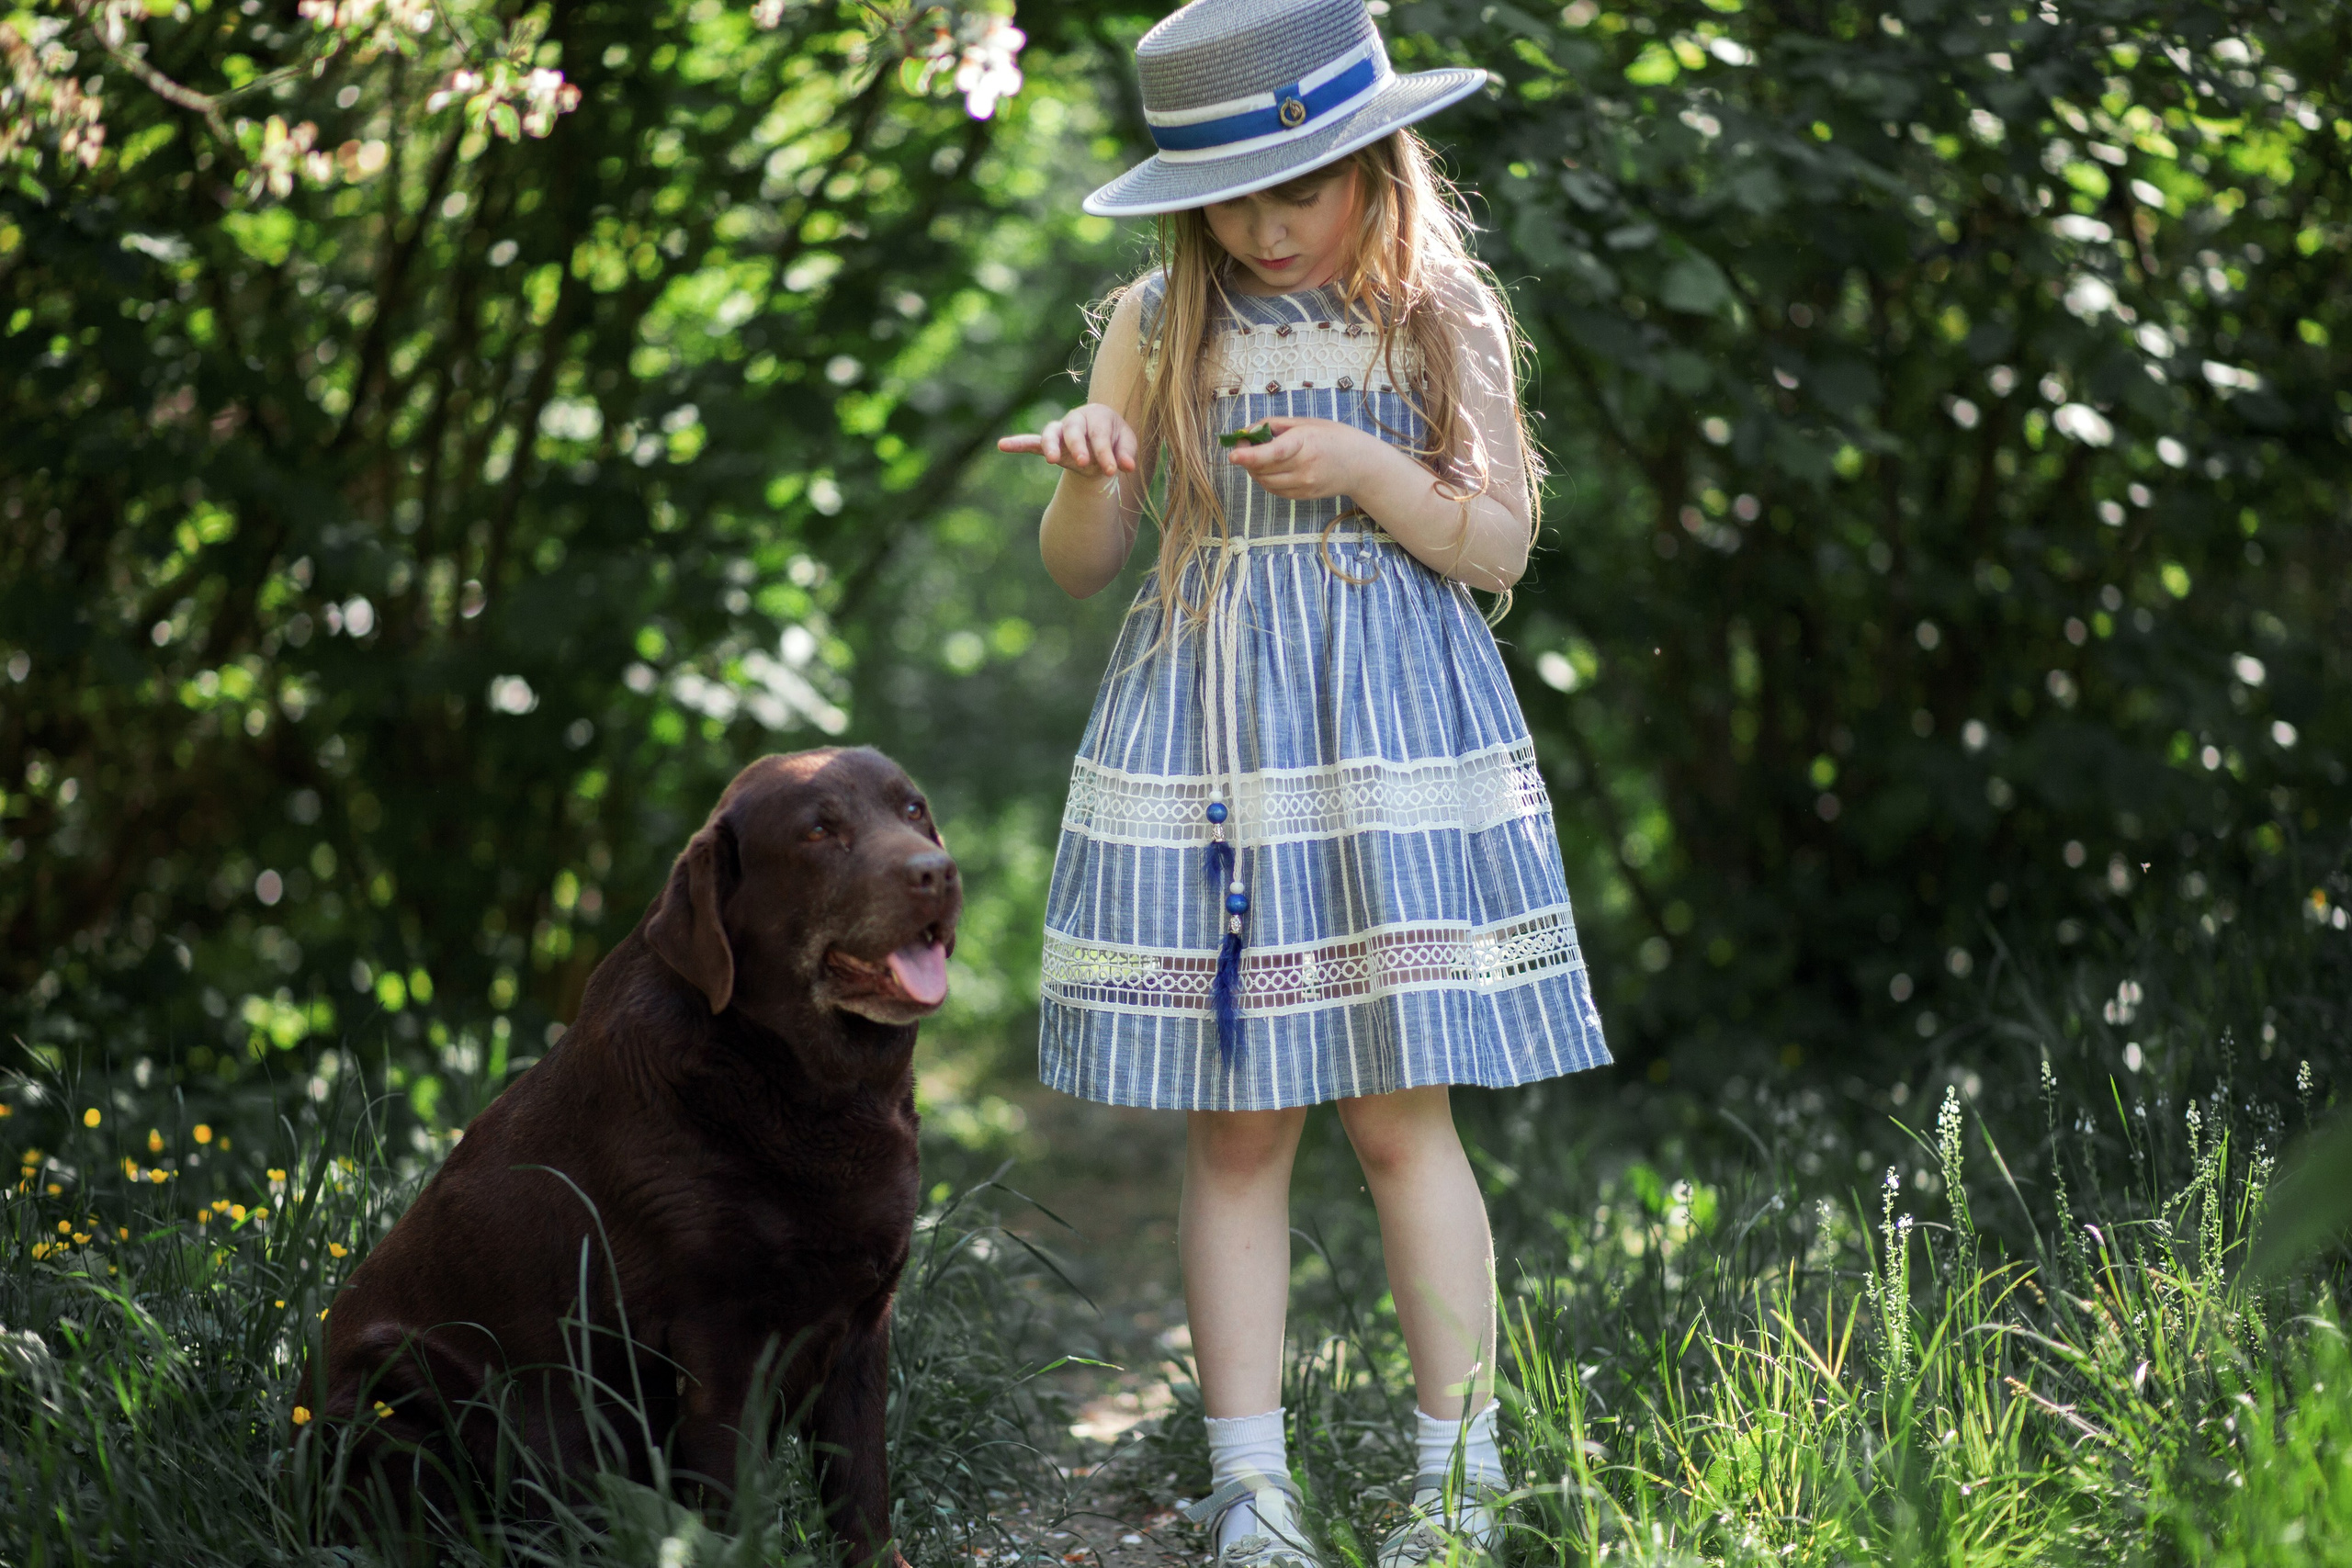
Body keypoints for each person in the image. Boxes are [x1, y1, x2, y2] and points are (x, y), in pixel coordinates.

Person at [998, 0, 1609, 1562]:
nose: (1267, 228)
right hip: (1210, 735)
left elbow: (1501, 544)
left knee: (1401, 1122)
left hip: (1386, 737)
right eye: (1233, 196)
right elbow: (1085, 572)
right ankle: (1250, 1484)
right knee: (1239, 1126)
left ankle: (1455, 1483)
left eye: (1302, 186)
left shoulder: (1436, 313)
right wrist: (1094, 481)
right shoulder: (1156, 318)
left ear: (1372, 159)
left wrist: (1372, 472)